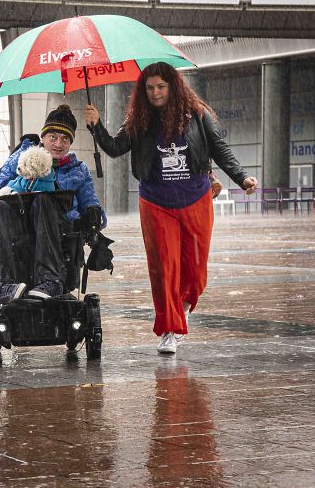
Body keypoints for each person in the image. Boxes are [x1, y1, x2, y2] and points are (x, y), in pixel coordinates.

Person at [83, 62, 257, 355]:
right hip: (156, 202)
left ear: (172, 86)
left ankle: (185, 303)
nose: (155, 93)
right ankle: (169, 328)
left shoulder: (197, 114)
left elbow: (218, 148)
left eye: (161, 86)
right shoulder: (138, 119)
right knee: (164, 268)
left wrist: (241, 177)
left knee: (196, 270)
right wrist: (96, 125)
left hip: (196, 199)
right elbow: (114, 147)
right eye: (150, 88)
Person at [0, 104, 106, 304]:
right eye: (53, 137)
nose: (58, 143)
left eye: (65, 139)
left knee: (44, 200)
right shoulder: (20, 160)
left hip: (58, 231)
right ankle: (1, 284)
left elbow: (92, 206)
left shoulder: (78, 170)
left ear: (70, 143)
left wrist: (94, 215)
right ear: (43, 137)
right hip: (18, 230)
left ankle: (50, 280)